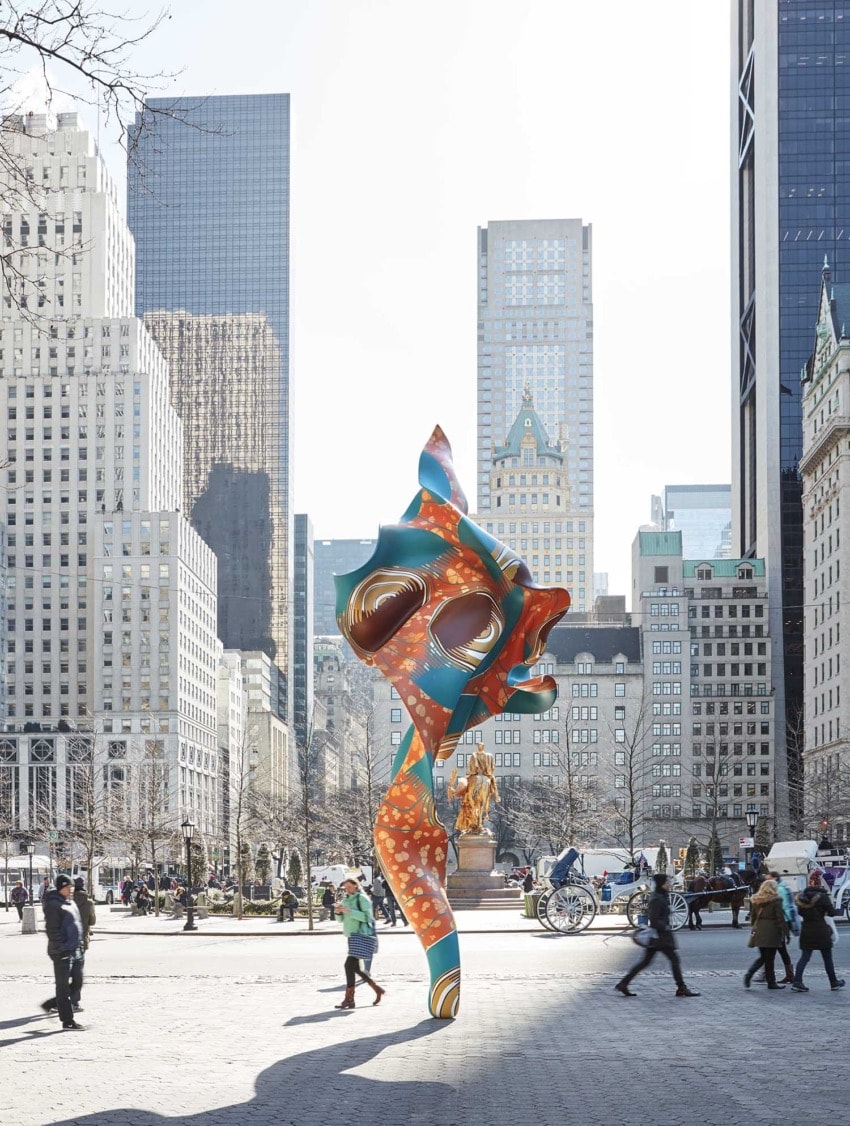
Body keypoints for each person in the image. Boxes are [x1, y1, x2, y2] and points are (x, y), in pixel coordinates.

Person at [615, 874, 700, 998]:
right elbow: (654, 919)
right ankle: (681, 987)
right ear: (661, 884)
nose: (669, 884)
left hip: (658, 937)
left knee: (645, 962)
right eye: (667, 882)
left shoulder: (662, 896)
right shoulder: (656, 898)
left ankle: (624, 983)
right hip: (661, 937)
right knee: (674, 960)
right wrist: (665, 927)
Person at [333, 877, 385, 1009]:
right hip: (352, 936)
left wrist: (350, 911)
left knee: (348, 965)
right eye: (345, 888)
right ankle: (376, 989)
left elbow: (368, 917)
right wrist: (338, 912)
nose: (347, 889)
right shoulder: (346, 899)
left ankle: (349, 999)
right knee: (354, 968)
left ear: (356, 886)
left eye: (350, 887)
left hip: (361, 935)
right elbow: (341, 920)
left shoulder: (362, 898)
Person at [41, 874, 84, 1031]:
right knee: (63, 987)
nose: (71, 890)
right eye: (68, 887)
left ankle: (51, 1004)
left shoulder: (69, 901)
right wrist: (62, 948)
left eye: (72, 887)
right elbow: (52, 930)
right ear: (61, 888)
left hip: (74, 949)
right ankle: (67, 1021)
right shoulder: (53, 904)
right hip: (61, 952)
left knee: (78, 981)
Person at [791, 871, 846, 992]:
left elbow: (799, 913)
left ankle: (797, 981)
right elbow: (832, 913)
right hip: (821, 930)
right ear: (820, 885)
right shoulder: (823, 897)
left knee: (804, 957)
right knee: (827, 958)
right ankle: (833, 982)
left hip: (806, 930)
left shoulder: (801, 898)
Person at [752, 872, 797, 985]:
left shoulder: (778, 892)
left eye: (768, 878)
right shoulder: (782, 888)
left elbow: (783, 909)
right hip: (780, 924)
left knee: (772, 954)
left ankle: (771, 976)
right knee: (780, 952)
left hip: (779, 924)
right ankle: (787, 975)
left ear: (775, 878)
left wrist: (785, 930)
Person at [743, 878, 787, 989]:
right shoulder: (776, 900)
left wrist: (754, 928)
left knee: (764, 957)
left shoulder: (756, 900)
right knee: (769, 958)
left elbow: (753, 918)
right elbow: (780, 918)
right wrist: (786, 932)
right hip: (772, 931)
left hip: (759, 931)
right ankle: (771, 982)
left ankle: (750, 974)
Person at [70, 878, 96, 1013]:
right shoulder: (89, 902)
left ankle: (61, 1001)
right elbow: (93, 921)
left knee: (65, 972)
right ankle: (74, 1002)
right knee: (77, 972)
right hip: (82, 940)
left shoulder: (68, 901)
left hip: (68, 940)